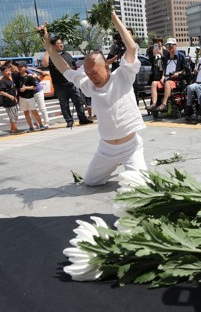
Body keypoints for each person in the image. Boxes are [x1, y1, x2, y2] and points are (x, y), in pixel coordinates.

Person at [38, 11, 147, 186]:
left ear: (106, 66)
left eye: (94, 72)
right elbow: (64, 68)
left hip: (130, 147)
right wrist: (47, 43)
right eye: (88, 73)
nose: (91, 77)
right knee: (90, 182)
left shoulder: (123, 75)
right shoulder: (88, 85)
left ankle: (128, 164)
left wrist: (113, 18)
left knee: (139, 186)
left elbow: (132, 48)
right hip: (106, 149)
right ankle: (114, 163)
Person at [41, 36, 92, 128]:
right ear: (53, 45)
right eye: (58, 43)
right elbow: (44, 64)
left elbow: (74, 66)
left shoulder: (67, 54)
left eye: (62, 43)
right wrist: (48, 49)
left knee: (78, 101)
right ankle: (69, 121)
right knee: (64, 104)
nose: (61, 45)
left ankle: (82, 119)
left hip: (72, 83)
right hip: (59, 85)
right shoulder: (50, 56)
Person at [146, 37, 186, 112]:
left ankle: (164, 104)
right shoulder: (166, 57)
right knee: (154, 83)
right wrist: (163, 76)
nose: (170, 47)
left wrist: (178, 73)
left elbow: (185, 69)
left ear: (175, 45)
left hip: (176, 80)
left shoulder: (181, 55)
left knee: (167, 83)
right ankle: (154, 103)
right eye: (168, 45)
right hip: (167, 78)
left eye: (171, 45)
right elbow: (164, 69)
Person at [16, 62, 45, 131]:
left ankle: (41, 124)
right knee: (26, 113)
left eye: (21, 67)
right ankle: (31, 126)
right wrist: (19, 89)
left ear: (25, 68)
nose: (19, 68)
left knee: (34, 111)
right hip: (22, 97)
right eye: (18, 67)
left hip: (30, 97)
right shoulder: (17, 77)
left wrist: (26, 88)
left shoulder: (30, 77)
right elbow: (16, 87)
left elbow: (34, 87)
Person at [0, 64, 20, 134]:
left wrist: (15, 97)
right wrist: (9, 96)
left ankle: (12, 129)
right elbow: (0, 91)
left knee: (15, 116)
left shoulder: (10, 78)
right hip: (8, 101)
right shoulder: (3, 81)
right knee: (12, 116)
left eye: (9, 70)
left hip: (13, 100)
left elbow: (16, 70)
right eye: (6, 71)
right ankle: (15, 129)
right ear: (2, 72)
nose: (8, 72)